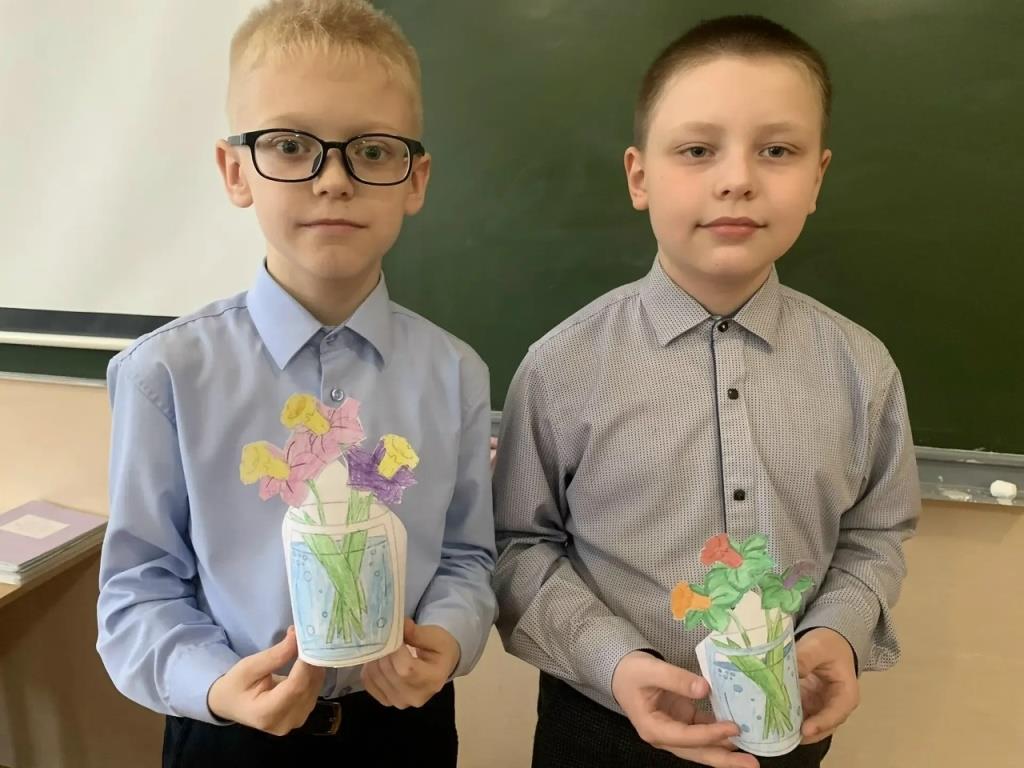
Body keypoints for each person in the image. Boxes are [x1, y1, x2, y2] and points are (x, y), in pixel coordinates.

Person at [493, 14, 919, 768]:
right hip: (601, 726)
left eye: (777, 151)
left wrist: (839, 633)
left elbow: (875, 534)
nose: (737, 178)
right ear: (639, 176)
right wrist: (612, 659)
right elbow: (519, 544)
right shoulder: (563, 365)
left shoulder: (862, 367)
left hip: (789, 723)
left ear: (817, 178)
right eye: (697, 150)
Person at [97, 2, 495, 765]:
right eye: (290, 145)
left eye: (372, 150)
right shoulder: (164, 375)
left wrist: (450, 635)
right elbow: (137, 588)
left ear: (415, 179)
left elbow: (468, 557)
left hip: (403, 727)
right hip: (227, 731)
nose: (334, 180)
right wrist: (216, 685)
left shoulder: (456, 375)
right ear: (235, 171)